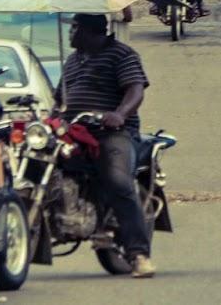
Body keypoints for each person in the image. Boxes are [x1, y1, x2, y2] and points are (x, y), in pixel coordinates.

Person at [59, 14, 155, 279]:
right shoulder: (73, 61)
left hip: (112, 132)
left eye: (75, 28)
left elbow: (135, 90)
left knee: (117, 181)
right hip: (74, 133)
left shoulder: (121, 54)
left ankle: (139, 255)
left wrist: (120, 114)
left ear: (91, 31)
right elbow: (61, 101)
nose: (70, 33)